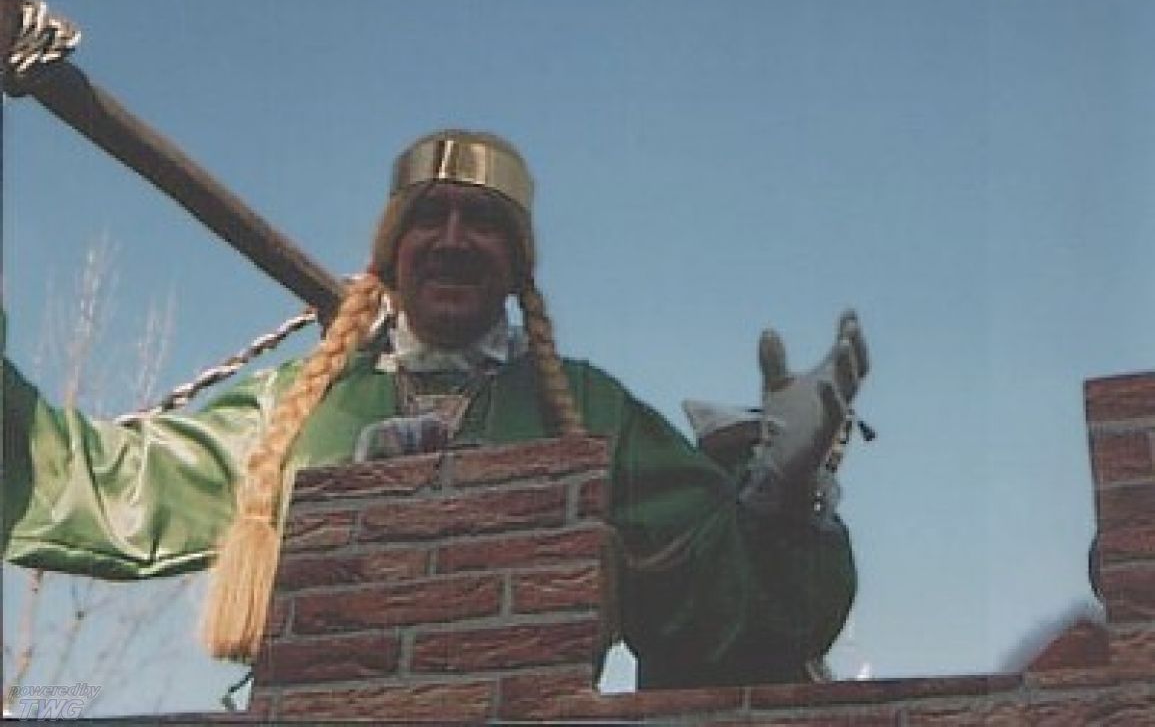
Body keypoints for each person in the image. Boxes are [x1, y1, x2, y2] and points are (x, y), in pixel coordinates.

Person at [2, 129, 868, 689]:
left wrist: (780, 500)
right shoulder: (295, 409)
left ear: (517, 264)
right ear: (392, 254)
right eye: (430, 218)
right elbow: (96, 486)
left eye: (481, 221)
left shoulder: (589, 409)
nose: (453, 239)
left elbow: (726, 617)